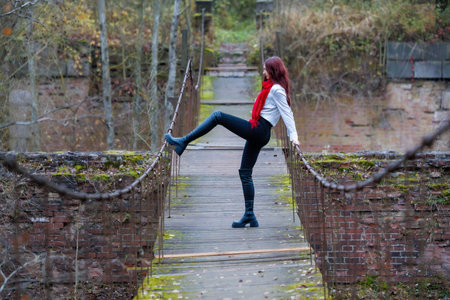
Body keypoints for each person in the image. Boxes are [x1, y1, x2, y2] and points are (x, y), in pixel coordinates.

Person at [165, 56, 300, 228]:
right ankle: (250, 216)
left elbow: (287, 114)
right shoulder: (270, 88)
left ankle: (184, 141)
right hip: (259, 131)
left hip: (260, 130)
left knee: (218, 116)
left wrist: (294, 138)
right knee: (245, 172)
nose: (263, 72)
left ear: (272, 70)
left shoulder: (276, 90)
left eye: (265, 69)